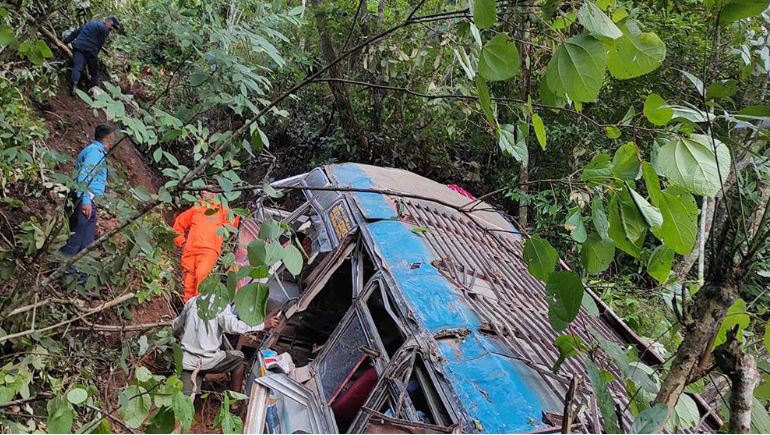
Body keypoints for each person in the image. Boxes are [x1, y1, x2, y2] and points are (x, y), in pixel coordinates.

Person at [172, 296, 279, 394]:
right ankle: (235, 403)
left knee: (185, 402)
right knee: (239, 360)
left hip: (187, 361)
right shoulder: (220, 305)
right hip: (208, 360)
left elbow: (176, 327)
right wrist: (263, 324)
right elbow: (234, 327)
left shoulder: (193, 301)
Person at [173, 192, 240, 302]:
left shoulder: (222, 210)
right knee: (188, 282)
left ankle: (196, 310)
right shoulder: (196, 208)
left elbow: (233, 224)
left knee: (201, 277)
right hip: (190, 251)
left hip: (208, 251)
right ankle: (188, 310)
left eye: (209, 191)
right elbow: (178, 225)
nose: (204, 193)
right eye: (204, 191)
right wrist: (182, 242)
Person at [61, 124, 115, 257]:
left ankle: (73, 274)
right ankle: (67, 274)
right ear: (108, 137)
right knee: (78, 240)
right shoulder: (95, 152)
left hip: (84, 198)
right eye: (114, 136)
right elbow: (85, 174)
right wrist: (86, 200)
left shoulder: (94, 151)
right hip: (84, 200)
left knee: (82, 240)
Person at [63, 16, 120, 96]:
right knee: (94, 71)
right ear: (108, 22)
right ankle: (94, 92)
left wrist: (65, 41)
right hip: (90, 50)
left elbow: (76, 32)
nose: (112, 29)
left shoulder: (90, 23)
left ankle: (73, 85)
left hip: (78, 46)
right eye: (112, 26)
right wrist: (94, 56)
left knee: (77, 67)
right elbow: (99, 45)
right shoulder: (104, 30)